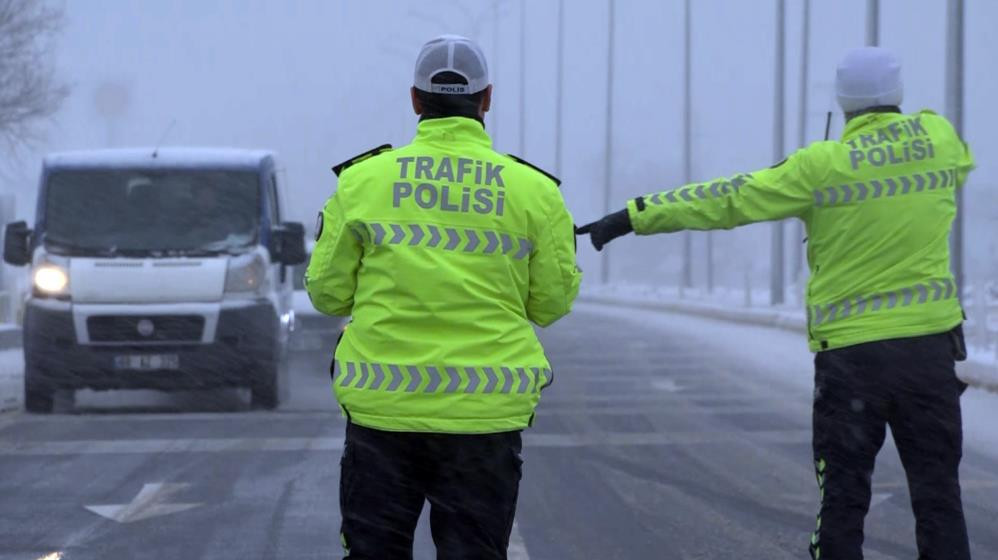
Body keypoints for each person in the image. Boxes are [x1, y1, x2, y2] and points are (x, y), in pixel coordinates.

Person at [577, 47, 975, 560]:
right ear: (897, 95)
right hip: (928, 356)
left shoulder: (821, 166)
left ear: (843, 101)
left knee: (844, 500)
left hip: (854, 364)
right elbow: (954, 160)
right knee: (939, 497)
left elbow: (729, 198)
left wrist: (632, 216)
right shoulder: (939, 141)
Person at [306, 35, 580, 559]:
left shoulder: (362, 182)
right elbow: (551, 304)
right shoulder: (534, 192)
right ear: (487, 98)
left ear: (415, 100)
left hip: (383, 416)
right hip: (484, 419)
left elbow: (327, 294)